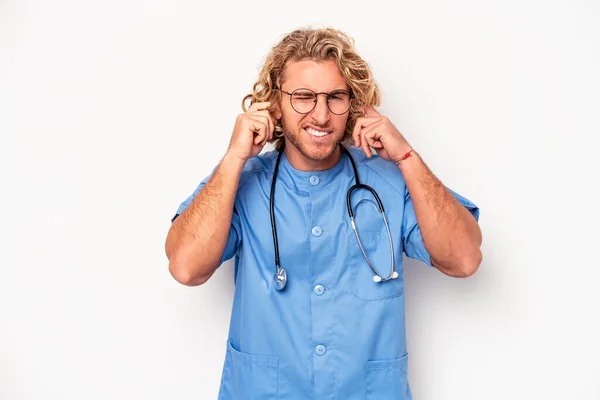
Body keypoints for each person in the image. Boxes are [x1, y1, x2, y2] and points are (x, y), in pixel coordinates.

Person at [165, 27, 482, 400]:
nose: (321, 114)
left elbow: (463, 259)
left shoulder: (392, 182)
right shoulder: (239, 182)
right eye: (302, 97)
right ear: (274, 106)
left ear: (354, 105)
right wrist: (235, 157)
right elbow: (186, 267)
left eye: (335, 97)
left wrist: (406, 156)